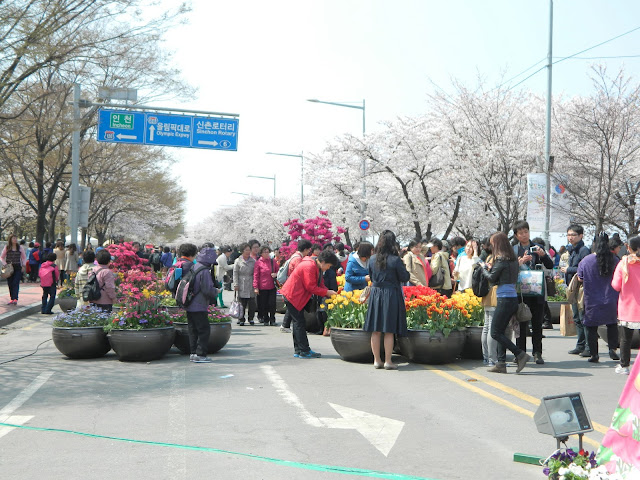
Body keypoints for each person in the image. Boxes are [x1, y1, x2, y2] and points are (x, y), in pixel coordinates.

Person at [480, 232, 530, 374]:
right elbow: (498, 278)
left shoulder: (501, 260)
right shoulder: (513, 260)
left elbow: (491, 278)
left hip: (504, 299)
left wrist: (483, 268)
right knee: (501, 331)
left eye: (493, 243)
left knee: (495, 332)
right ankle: (501, 363)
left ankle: (520, 354)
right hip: (511, 298)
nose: (491, 246)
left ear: (498, 244)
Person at [364, 230, 410, 370]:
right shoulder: (395, 260)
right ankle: (388, 361)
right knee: (388, 329)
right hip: (391, 294)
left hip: (376, 294)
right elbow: (405, 277)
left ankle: (377, 360)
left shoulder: (372, 259)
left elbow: (371, 277)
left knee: (376, 329)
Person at [280, 249, 338, 359]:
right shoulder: (309, 266)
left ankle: (299, 350)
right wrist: (327, 292)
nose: (328, 268)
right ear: (324, 262)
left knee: (298, 323)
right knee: (299, 323)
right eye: (329, 266)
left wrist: (328, 292)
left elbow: (320, 285)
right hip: (293, 296)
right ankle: (304, 350)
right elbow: (310, 286)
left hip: (296, 296)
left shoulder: (316, 266)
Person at [512, 220, 554, 365]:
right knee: (521, 324)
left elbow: (550, 265)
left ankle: (537, 353)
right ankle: (521, 354)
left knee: (537, 324)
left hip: (537, 291)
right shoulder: (514, 250)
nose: (524, 235)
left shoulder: (538, 247)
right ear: (516, 235)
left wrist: (543, 255)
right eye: (521, 233)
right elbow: (510, 269)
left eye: (526, 232)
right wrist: (520, 261)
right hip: (521, 293)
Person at [576, 233, 620, 363]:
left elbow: (580, 278)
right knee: (612, 324)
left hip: (592, 299)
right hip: (611, 298)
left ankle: (594, 354)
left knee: (591, 326)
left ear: (594, 244)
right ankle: (612, 349)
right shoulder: (616, 260)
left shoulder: (586, 260)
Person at [183, 245, 218, 363]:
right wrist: (216, 291)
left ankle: (193, 353)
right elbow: (207, 289)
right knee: (203, 330)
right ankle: (201, 354)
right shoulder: (204, 271)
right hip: (199, 305)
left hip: (189, 304)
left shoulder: (195, 266)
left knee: (193, 330)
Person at [562, 224, 592, 357]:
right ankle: (580, 345)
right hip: (573, 288)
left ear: (581, 236)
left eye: (573, 235)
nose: (570, 237)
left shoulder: (584, 250)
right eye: (568, 235)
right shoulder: (572, 250)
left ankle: (588, 347)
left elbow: (585, 269)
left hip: (582, 289)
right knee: (577, 318)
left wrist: (568, 270)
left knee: (583, 317)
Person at [611, 235, 640, 375]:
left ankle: (624, 366)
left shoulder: (624, 263)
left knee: (625, 340)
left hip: (627, 308)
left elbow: (616, 285)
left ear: (628, 248)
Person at [279, 240, 313, 333]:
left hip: (291, 285)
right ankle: (291, 327)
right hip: (294, 287)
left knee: (291, 307)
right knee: (295, 309)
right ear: (305, 249)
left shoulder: (295, 256)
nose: (308, 252)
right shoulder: (298, 259)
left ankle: (285, 325)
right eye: (308, 250)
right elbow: (300, 273)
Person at [233, 243, 257, 326]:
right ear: (242, 251)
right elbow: (235, 273)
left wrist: (255, 284)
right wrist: (235, 284)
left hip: (250, 282)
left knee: (252, 303)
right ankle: (241, 318)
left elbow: (255, 273)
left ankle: (251, 318)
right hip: (241, 282)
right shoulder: (238, 260)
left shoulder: (253, 261)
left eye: (249, 250)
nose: (248, 252)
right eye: (246, 250)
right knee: (241, 302)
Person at [253, 246, 278, 326]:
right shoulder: (258, 262)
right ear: (261, 253)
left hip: (272, 286)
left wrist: (276, 274)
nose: (267, 254)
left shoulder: (272, 261)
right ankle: (266, 318)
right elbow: (256, 275)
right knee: (264, 304)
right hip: (262, 287)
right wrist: (255, 287)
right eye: (265, 252)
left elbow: (278, 270)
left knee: (272, 303)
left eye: (268, 252)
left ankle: (272, 319)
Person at [1, 234, 26, 305]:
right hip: (9, 267)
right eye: (13, 238)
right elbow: (2, 257)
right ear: (10, 240)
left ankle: (15, 298)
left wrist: (23, 265)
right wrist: (5, 264)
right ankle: (12, 298)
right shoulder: (7, 247)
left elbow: (24, 257)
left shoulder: (20, 248)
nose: (15, 240)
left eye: (16, 238)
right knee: (10, 283)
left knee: (16, 282)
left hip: (17, 267)